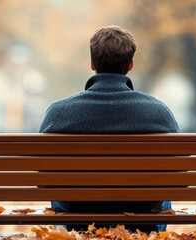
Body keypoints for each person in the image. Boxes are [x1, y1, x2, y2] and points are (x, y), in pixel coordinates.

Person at [38, 26, 179, 233]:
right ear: (130, 65)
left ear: (92, 64)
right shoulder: (159, 113)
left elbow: (44, 178)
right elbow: (175, 175)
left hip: (78, 218)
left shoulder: (57, 113)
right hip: (141, 217)